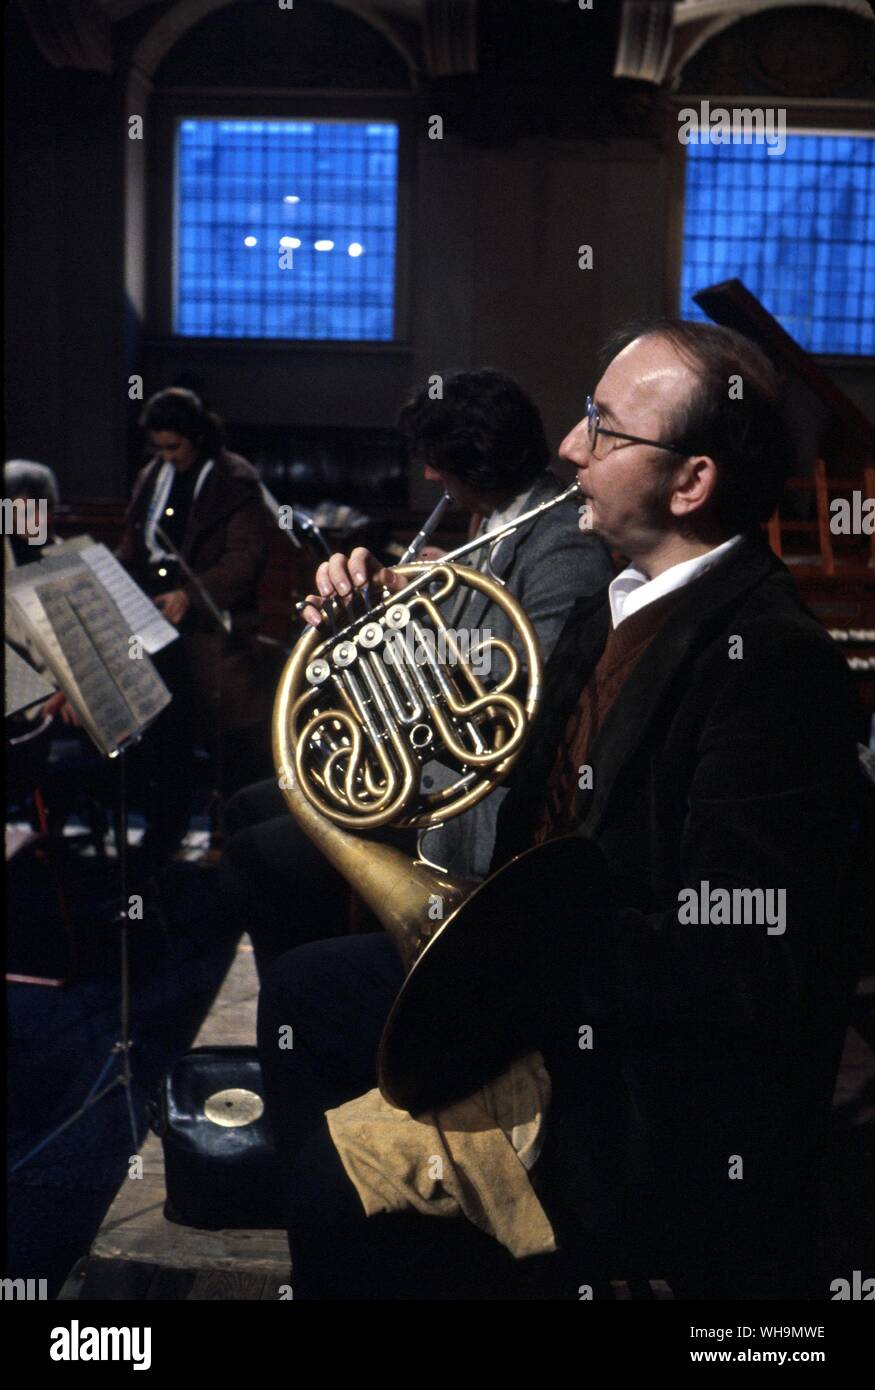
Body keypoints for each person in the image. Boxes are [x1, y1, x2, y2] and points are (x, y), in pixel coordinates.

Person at [256, 319, 868, 1299]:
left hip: (635, 1089)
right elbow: (500, 770)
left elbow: (746, 962)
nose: (569, 449)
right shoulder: (613, 600)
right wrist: (369, 625)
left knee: (342, 1186)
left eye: (602, 427)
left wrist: (518, 953)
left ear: (689, 482)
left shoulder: (769, 665)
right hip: (549, 991)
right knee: (303, 994)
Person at [221, 369, 613, 976]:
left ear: (477, 463)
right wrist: (379, 611)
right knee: (249, 809)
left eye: (438, 462)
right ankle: (321, 971)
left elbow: (518, 694)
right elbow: (467, 627)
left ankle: (322, 989)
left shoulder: (562, 543)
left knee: (256, 856)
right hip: (426, 759)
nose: (430, 476)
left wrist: (409, 632)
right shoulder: (494, 517)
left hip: (466, 794)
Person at [116, 387, 274, 875]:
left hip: (212, 630)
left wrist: (190, 593)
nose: (166, 456)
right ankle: (165, 835)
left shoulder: (235, 478)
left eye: (174, 447)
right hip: (154, 625)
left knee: (230, 744)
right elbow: (133, 544)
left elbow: (243, 561)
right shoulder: (153, 475)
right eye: (159, 447)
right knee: (162, 742)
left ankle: (234, 847)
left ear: (199, 436)